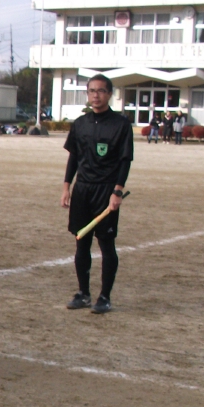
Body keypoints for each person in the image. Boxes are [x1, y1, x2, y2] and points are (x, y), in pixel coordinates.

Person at [62, 73, 132, 314]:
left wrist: (117, 191)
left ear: (109, 94)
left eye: (101, 91)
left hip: (106, 190)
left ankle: (105, 297)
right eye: (92, 91)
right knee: (81, 242)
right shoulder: (80, 123)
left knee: (106, 245)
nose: (96, 95)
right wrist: (66, 186)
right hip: (82, 190)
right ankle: (83, 293)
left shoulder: (121, 124)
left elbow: (125, 160)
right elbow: (73, 157)